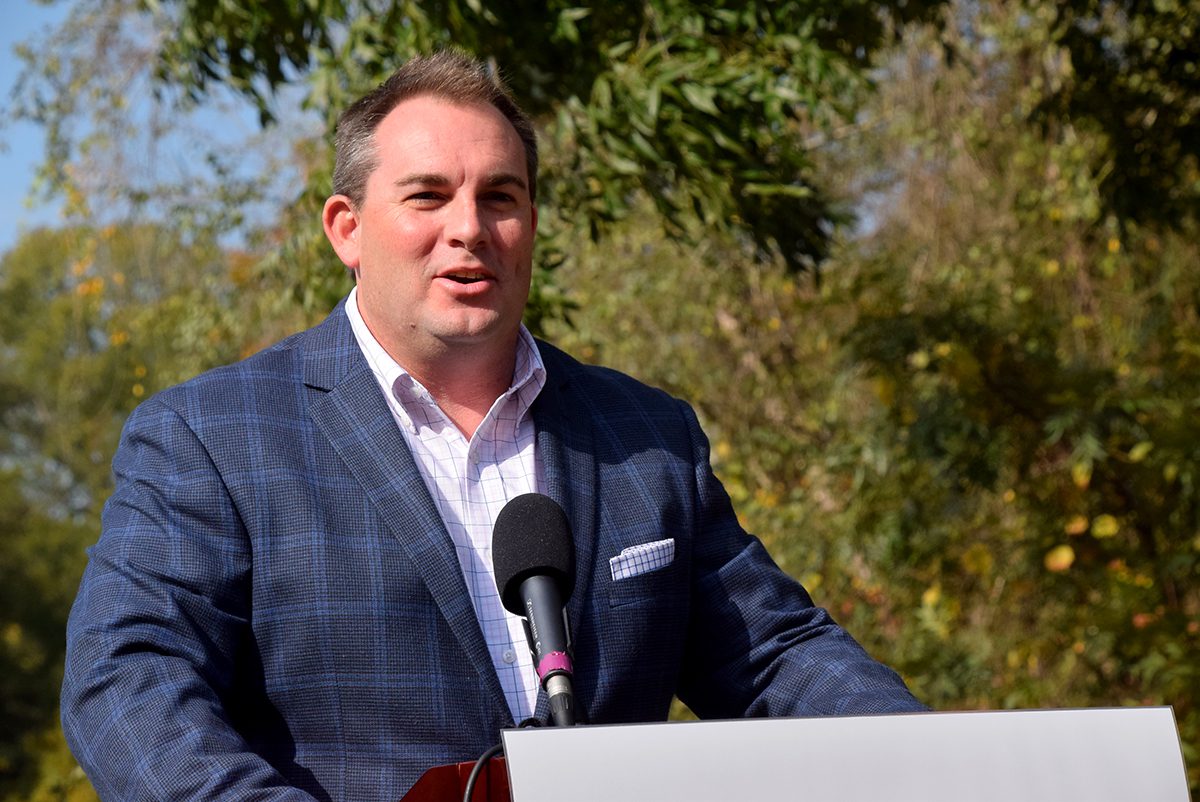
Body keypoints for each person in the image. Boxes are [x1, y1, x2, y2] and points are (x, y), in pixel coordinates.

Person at [61, 51, 925, 801]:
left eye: (500, 197)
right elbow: (128, 685)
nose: (469, 229)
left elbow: (775, 659)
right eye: (427, 196)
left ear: (532, 223)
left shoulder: (646, 435)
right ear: (347, 229)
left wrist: (941, 767)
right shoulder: (212, 437)